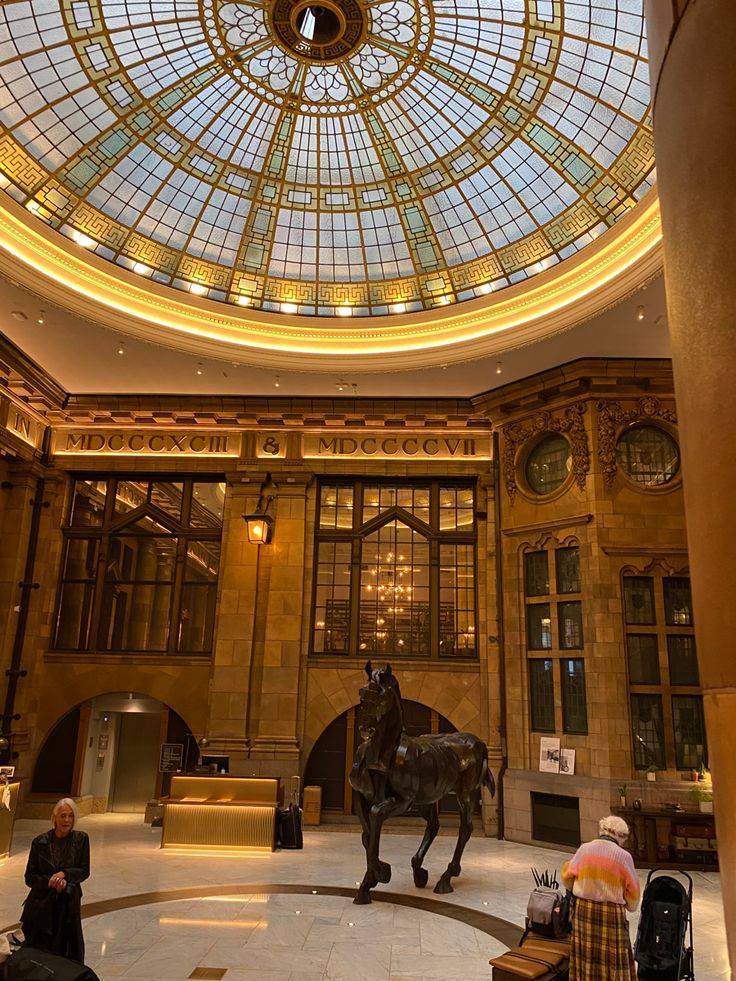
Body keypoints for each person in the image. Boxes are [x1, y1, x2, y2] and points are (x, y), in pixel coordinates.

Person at [562, 814, 640, 981]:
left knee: (586, 955)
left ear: (603, 830)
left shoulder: (584, 849)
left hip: (584, 911)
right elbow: (633, 895)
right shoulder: (623, 857)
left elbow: (567, 879)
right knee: (611, 959)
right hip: (611, 914)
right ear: (621, 836)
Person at [20, 798, 90, 962]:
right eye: (63, 816)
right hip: (42, 904)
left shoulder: (81, 840)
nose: (67, 820)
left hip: (68, 903)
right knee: (41, 949)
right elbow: (29, 877)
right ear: (54, 818)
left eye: (71, 816)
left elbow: (84, 871)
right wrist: (50, 882)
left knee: (67, 947)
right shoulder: (40, 842)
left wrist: (64, 874)